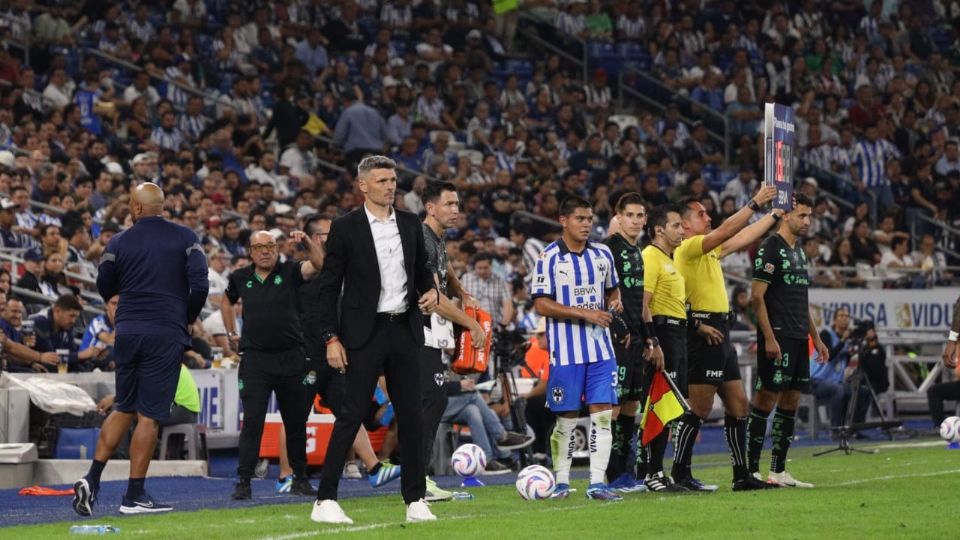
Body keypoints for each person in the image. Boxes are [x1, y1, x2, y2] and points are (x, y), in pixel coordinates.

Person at [311, 156, 439, 524]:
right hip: (362, 332)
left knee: (412, 415)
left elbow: (422, 272)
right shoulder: (345, 227)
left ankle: (415, 498)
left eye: (393, 179)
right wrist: (330, 338)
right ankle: (325, 500)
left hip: (404, 328)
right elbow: (328, 287)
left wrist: (429, 291)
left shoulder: (411, 223)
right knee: (351, 414)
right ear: (363, 185)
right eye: (382, 180)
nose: (390, 185)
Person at [73, 183, 208, 516]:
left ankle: (93, 477)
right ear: (161, 206)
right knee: (149, 415)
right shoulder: (186, 238)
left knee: (124, 405)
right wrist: (187, 317)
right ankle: (133, 496)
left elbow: (105, 285)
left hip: (128, 331)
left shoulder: (117, 242)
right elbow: (201, 284)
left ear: (135, 207)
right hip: (164, 331)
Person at [670, 185, 780, 492]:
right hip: (702, 333)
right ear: (685, 224)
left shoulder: (706, 249)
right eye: (700, 213)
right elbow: (725, 232)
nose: (707, 216)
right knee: (699, 408)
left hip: (721, 332)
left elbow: (740, 237)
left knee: (738, 403)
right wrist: (755, 204)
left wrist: (774, 215)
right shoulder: (688, 247)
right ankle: (680, 472)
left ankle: (741, 475)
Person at [295, 214, 405, 492]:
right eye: (327, 234)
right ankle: (289, 475)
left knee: (348, 411)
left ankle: (374, 467)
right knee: (295, 414)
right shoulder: (302, 268)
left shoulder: (341, 268)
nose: (335, 238)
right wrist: (310, 246)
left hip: (333, 353)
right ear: (313, 238)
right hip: (303, 354)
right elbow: (319, 264)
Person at [531, 195, 624, 502]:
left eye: (589, 219)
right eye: (580, 219)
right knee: (567, 419)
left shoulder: (602, 254)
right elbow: (541, 303)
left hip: (601, 351)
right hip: (566, 353)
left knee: (602, 415)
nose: (586, 224)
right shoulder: (548, 258)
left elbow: (612, 288)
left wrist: (614, 301)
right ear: (563, 221)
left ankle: (597, 483)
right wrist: (585, 313)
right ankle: (561, 482)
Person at [223, 227, 324, 501]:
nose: (266, 251)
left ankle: (300, 478)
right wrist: (231, 332)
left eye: (270, 246)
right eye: (259, 247)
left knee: (296, 421)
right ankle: (244, 481)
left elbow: (319, 265)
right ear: (250, 251)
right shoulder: (240, 277)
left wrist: (305, 242)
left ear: (278, 249)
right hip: (256, 360)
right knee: (253, 421)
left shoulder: (290, 271)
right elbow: (227, 300)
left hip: (292, 357)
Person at [747, 194, 830, 488]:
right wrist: (768, 338)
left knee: (791, 401)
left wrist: (816, 338)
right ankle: (750, 470)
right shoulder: (770, 247)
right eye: (802, 216)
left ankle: (778, 470)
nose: (807, 222)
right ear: (785, 215)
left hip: (798, 336)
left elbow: (802, 300)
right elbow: (756, 297)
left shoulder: (799, 252)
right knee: (766, 398)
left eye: (809, 216)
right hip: (778, 336)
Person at [418, 181, 493, 499]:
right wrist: (471, 325)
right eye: (449, 204)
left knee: (431, 404)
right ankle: (417, 480)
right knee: (427, 404)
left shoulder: (436, 238)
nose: (456, 210)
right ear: (430, 207)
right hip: (416, 330)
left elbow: (443, 267)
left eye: (457, 204)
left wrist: (462, 291)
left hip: (429, 333)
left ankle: (419, 479)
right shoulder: (421, 238)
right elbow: (433, 296)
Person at [602, 192, 652, 492]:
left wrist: (649, 338)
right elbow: (601, 295)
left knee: (632, 405)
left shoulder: (638, 252)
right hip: (616, 338)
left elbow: (641, 302)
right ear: (617, 217)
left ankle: (625, 472)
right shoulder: (608, 249)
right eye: (629, 215)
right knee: (614, 407)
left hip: (635, 339)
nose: (634, 220)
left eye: (639, 215)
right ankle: (610, 474)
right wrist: (617, 326)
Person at [639, 205, 687, 492]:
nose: (682, 230)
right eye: (676, 225)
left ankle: (658, 470)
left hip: (676, 334)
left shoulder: (670, 259)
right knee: (657, 405)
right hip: (663, 333)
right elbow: (644, 304)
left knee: (669, 408)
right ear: (659, 229)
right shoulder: (650, 257)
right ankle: (650, 473)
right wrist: (652, 341)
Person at [811, 308, 870, 429]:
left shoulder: (849, 340)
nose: (845, 319)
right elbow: (829, 357)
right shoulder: (825, 334)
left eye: (847, 316)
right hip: (816, 380)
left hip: (836, 382)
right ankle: (836, 430)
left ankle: (854, 429)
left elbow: (849, 362)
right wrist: (843, 340)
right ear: (834, 320)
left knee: (863, 391)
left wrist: (856, 351)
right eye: (841, 316)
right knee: (839, 390)